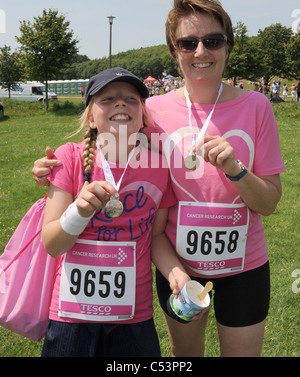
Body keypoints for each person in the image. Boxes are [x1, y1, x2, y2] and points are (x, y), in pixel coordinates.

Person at [33, 0, 285, 357]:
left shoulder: (257, 105)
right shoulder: (149, 108)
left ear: (228, 46)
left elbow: (269, 202)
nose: (200, 51)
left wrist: (236, 170)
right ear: (174, 50)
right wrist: (54, 168)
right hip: (177, 265)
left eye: (212, 40)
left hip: (244, 264)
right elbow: (108, 139)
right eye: (188, 42)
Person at [39, 67, 191, 357]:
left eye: (132, 99)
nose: (121, 103)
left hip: (133, 315)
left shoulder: (159, 168)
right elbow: (52, 243)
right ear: (91, 117)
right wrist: (79, 212)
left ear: (143, 115)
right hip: (72, 315)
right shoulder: (69, 158)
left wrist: (176, 272)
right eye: (107, 98)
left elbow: (156, 236)